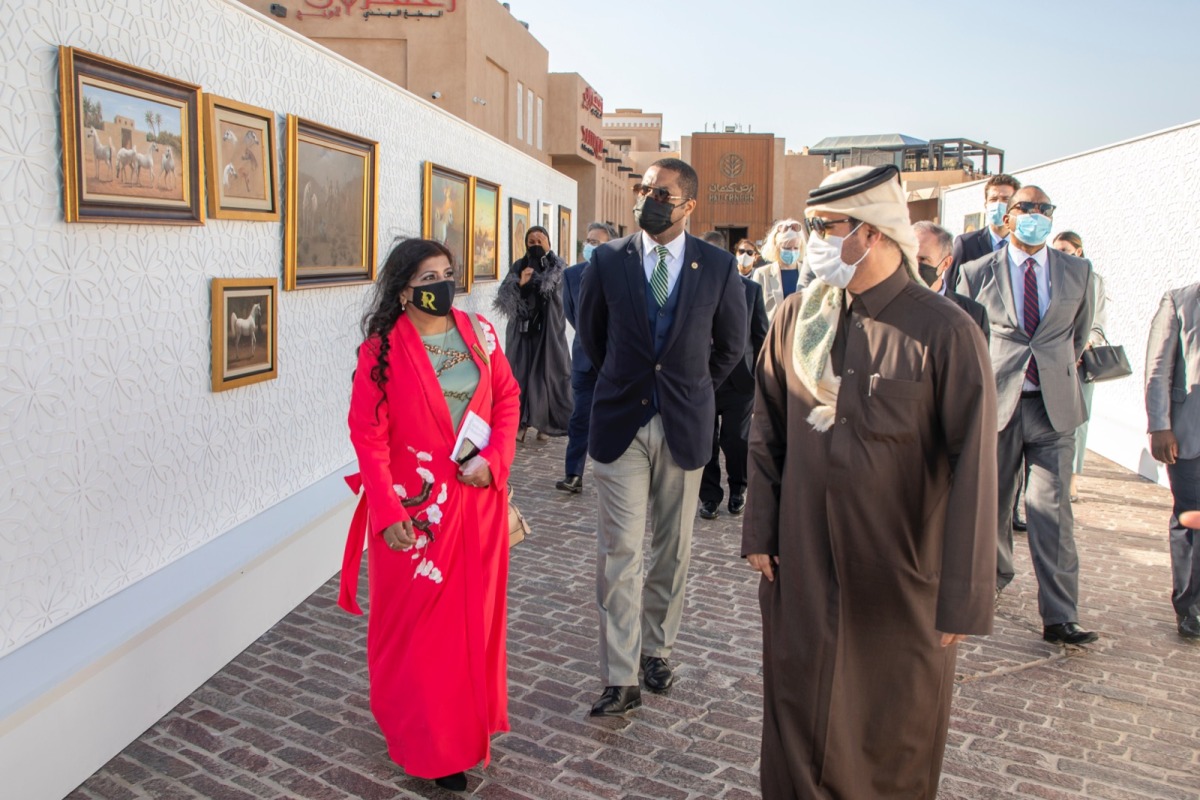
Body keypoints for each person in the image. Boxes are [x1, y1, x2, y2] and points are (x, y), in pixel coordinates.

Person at [743, 164, 997, 799]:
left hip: (899, 574)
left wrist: (962, 594)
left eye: (826, 228)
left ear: (874, 232)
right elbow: (767, 429)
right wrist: (761, 531)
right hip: (801, 560)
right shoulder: (797, 318)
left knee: (893, 727)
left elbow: (975, 467)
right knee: (797, 713)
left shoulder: (946, 331)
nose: (815, 241)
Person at [340, 238, 521, 793]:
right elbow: (367, 436)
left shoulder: (480, 334)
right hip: (416, 512)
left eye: (448, 273)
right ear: (402, 292)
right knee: (418, 634)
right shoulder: (381, 351)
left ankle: (466, 730)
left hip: (478, 504)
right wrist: (388, 510)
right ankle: (426, 741)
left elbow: (508, 399)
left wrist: (493, 462)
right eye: (428, 278)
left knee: (475, 622)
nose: (443, 285)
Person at [578, 157, 747, 716]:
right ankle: (621, 676)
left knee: (672, 549)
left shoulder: (719, 267)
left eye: (662, 193)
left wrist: (688, 387)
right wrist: (628, 383)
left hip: (684, 422)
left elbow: (730, 347)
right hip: (620, 423)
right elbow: (595, 338)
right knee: (618, 553)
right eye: (644, 189)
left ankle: (657, 650)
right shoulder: (608, 260)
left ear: (689, 206)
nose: (648, 199)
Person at [957, 186, 1098, 645]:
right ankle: (991, 582)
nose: (1036, 215)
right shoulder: (977, 272)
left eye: (1045, 209)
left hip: (1052, 408)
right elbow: (961, 338)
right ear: (1008, 216)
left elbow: (1075, 338)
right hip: (995, 406)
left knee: (1052, 514)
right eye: (1027, 208)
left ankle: (1061, 615)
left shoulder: (1078, 271)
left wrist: (1051, 374)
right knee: (992, 507)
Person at [1145, 281, 1200, 639]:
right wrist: (1159, 425)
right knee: (1192, 517)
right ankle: (1189, 605)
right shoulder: (1180, 300)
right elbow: (1159, 367)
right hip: (1189, 434)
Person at [698, 258, 769, 519]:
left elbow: (761, 336)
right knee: (706, 439)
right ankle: (709, 496)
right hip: (704, 378)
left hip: (740, 381)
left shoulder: (751, 291)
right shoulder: (698, 287)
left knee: (736, 440)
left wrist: (761, 379)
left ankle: (739, 488)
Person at [494, 226, 573, 442]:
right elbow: (505, 296)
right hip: (523, 330)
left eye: (540, 240)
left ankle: (545, 424)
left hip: (549, 331)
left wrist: (539, 282)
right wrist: (521, 285)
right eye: (531, 242)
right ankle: (520, 422)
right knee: (519, 374)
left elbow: (560, 296)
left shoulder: (558, 267)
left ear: (549, 242)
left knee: (548, 374)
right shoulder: (519, 265)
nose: (536, 245)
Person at [556, 222, 617, 494]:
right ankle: (573, 473)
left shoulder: (623, 273)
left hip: (617, 360)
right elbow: (573, 315)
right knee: (580, 417)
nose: (591, 246)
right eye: (589, 241)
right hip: (584, 360)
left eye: (598, 242)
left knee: (617, 418)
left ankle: (617, 475)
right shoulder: (571, 276)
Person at [1053, 231, 1109, 501]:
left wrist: (1081, 346)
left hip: (1080, 360)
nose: (1060, 253)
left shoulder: (1094, 280)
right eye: (1056, 249)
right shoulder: (1048, 275)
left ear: (1079, 250)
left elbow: (1097, 323)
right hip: (1052, 360)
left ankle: (1073, 478)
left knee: (1079, 422)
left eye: (1065, 249)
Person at [913, 220, 990, 340]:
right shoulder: (886, 306)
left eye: (923, 259)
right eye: (909, 257)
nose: (914, 265)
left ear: (946, 263)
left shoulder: (972, 314)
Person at [948, 173, 1021, 290]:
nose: (998, 204)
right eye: (993, 199)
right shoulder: (966, 244)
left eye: (1005, 199)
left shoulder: (1024, 246)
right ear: (986, 204)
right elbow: (950, 288)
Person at [751, 220, 804, 322]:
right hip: (772, 332)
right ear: (776, 247)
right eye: (787, 248)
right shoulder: (762, 273)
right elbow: (754, 310)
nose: (792, 251)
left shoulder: (807, 272)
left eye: (796, 248)